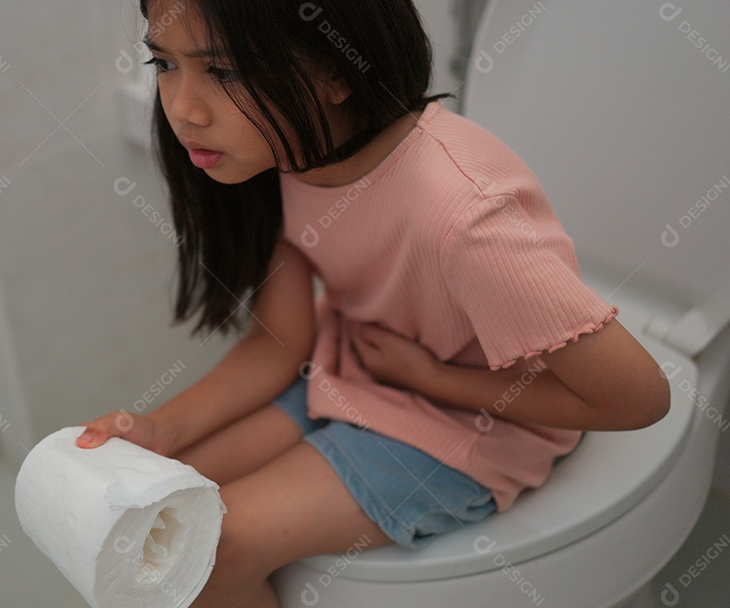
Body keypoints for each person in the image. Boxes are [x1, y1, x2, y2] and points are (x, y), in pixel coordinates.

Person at [76, 1, 671, 606]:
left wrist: (432, 379)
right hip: (353, 372)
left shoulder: (466, 218)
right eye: (165, 63)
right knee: (152, 510)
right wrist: (160, 428)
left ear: (337, 72)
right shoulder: (285, 154)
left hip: (470, 426)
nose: (182, 109)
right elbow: (279, 344)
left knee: (208, 547)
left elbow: (638, 397)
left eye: (225, 73)